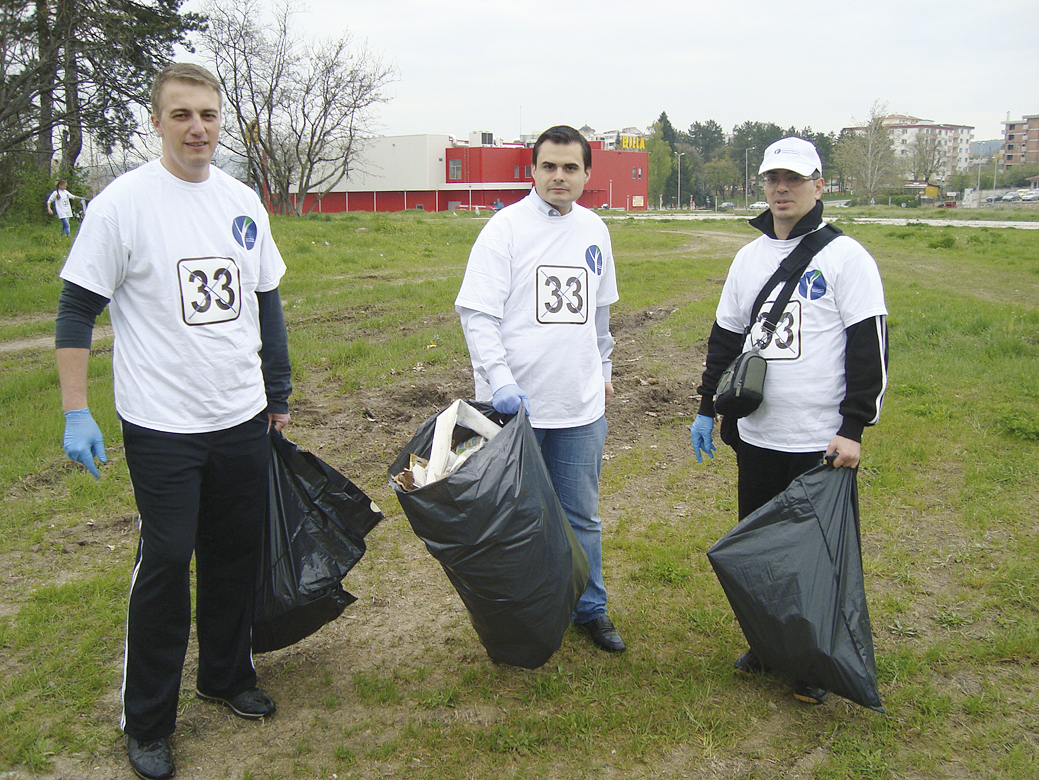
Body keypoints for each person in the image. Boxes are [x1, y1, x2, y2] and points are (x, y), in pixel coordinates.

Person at [55, 62, 291, 780]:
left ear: (221, 122)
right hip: (161, 425)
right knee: (165, 564)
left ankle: (224, 676)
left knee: (233, 554)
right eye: (182, 115)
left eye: (209, 115)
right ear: (156, 122)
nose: (197, 128)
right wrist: (75, 410)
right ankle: (148, 721)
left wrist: (276, 396)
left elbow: (266, 300)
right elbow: (75, 310)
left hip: (241, 418)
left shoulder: (241, 201)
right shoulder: (122, 204)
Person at [689, 137, 888, 704]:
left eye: (794, 179)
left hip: (817, 441)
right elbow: (725, 339)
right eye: (773, 179)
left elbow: (867, 348)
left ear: (819, 185)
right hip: (756, 435)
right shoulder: (748, 258)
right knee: (759, 548)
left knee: (813, 557)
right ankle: (769, 642)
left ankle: (813, 663)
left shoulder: (847, 258)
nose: (782, 189)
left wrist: (853, 427)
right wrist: (707, 408)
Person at [454, 125, 626, 654]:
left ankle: (589, 608)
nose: (559, 176)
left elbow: (599, 317)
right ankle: (528, 612)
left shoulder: (595, 230)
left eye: (570, 167)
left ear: (586, 174)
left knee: (581, 515)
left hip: (579, 408)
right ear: (532, 170)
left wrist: (605, 372)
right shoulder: (504, 230)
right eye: (549, 166)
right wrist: (500, 382)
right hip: (516, 411)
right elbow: (477, 313)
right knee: (517, 521)